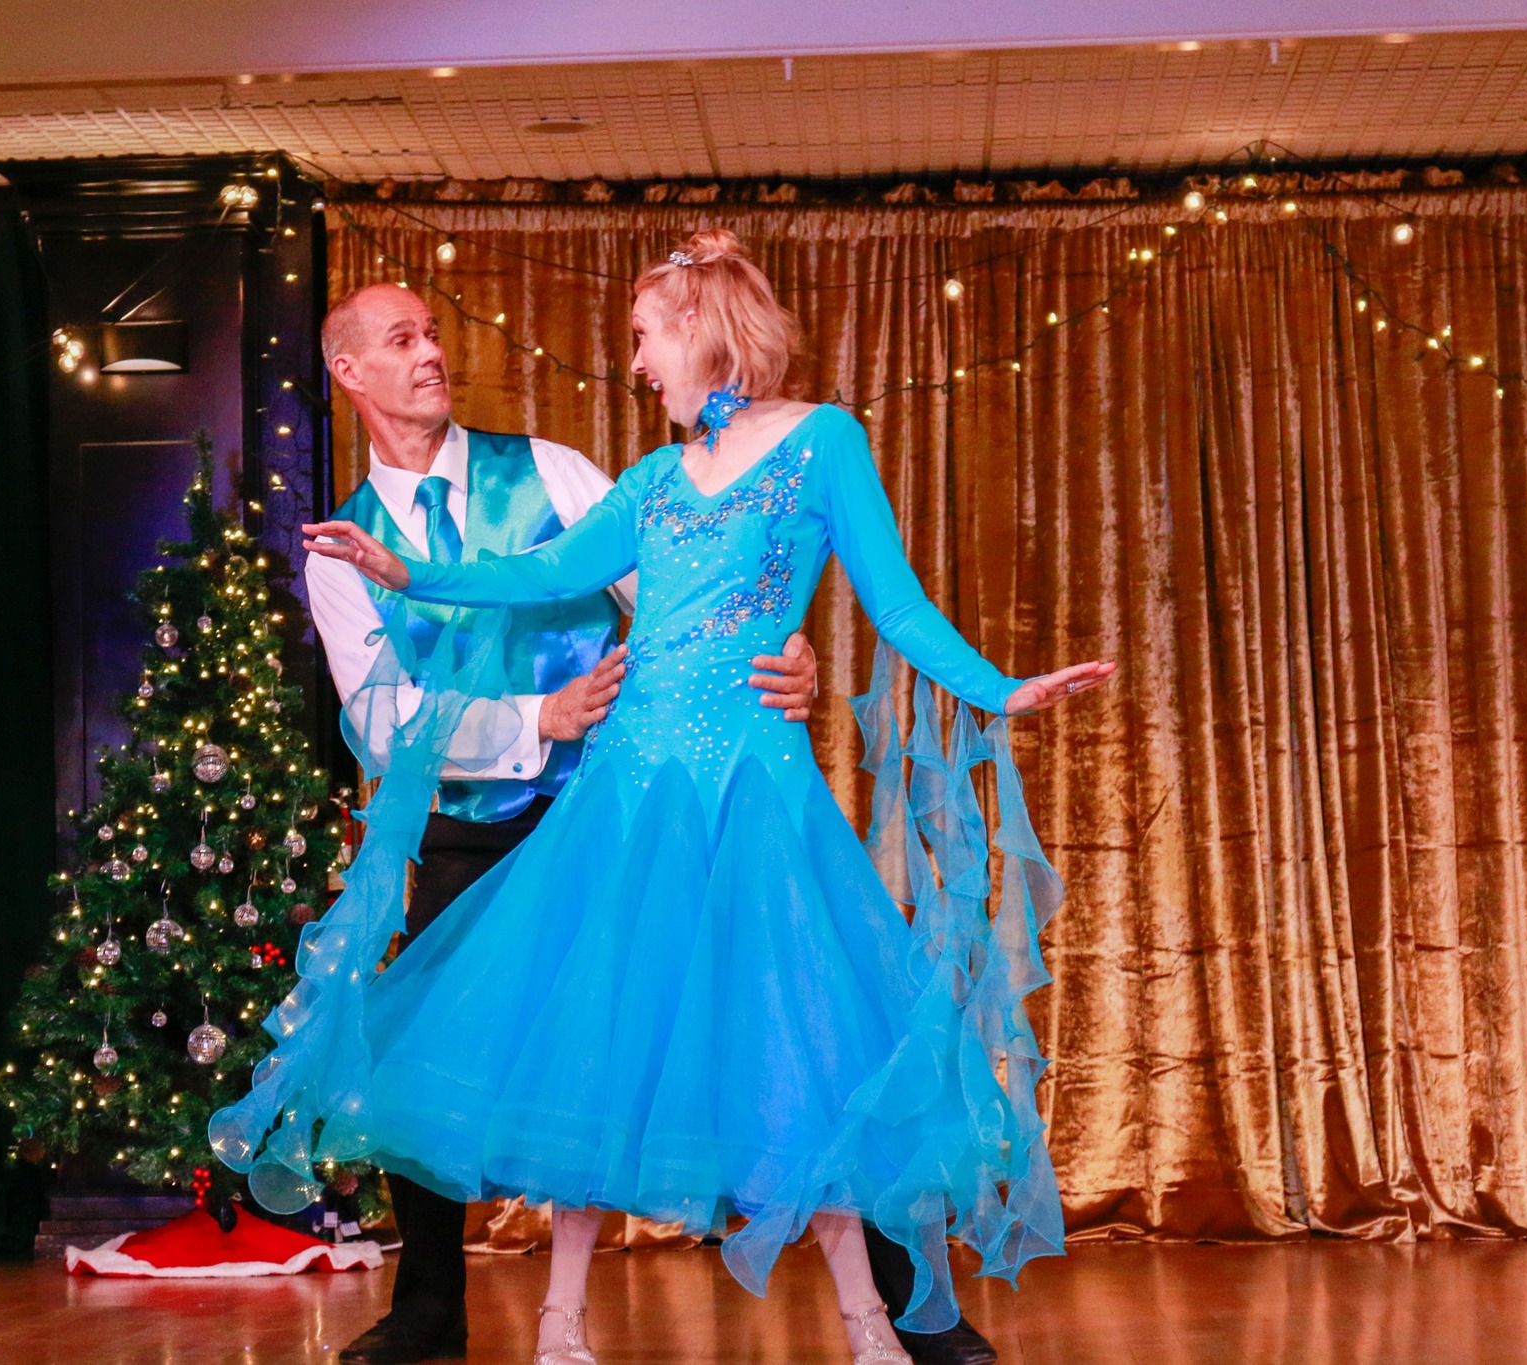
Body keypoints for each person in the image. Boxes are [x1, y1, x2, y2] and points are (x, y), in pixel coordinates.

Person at [215, 232, 1114, 1364]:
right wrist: (406, 572)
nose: (636, 366)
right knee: (562, 1039)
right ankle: (503, 1316)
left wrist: (988, 687)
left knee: (803, 1025)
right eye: (404, 339)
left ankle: (881, 1318)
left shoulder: (792, 444)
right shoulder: (639, 480)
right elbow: (502, 608)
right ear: (350, 371)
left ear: (695, 325)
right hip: (599, 793)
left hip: (737, 786)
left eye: (643, 339)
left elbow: (884, 602)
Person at [301, 281, 821, 1365]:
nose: (431, 354)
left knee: (782, 1005)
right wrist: (532, 718)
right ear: (349, 372)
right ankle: (430, 1307)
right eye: (401, 340)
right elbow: (381, 723)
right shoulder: (341, 550)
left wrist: (778, 645)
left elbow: (683, 595)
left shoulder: (551, 470)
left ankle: (907, 1303)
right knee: (422, 1040)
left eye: (434, 333)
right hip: (472, 825)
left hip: (620, 805)